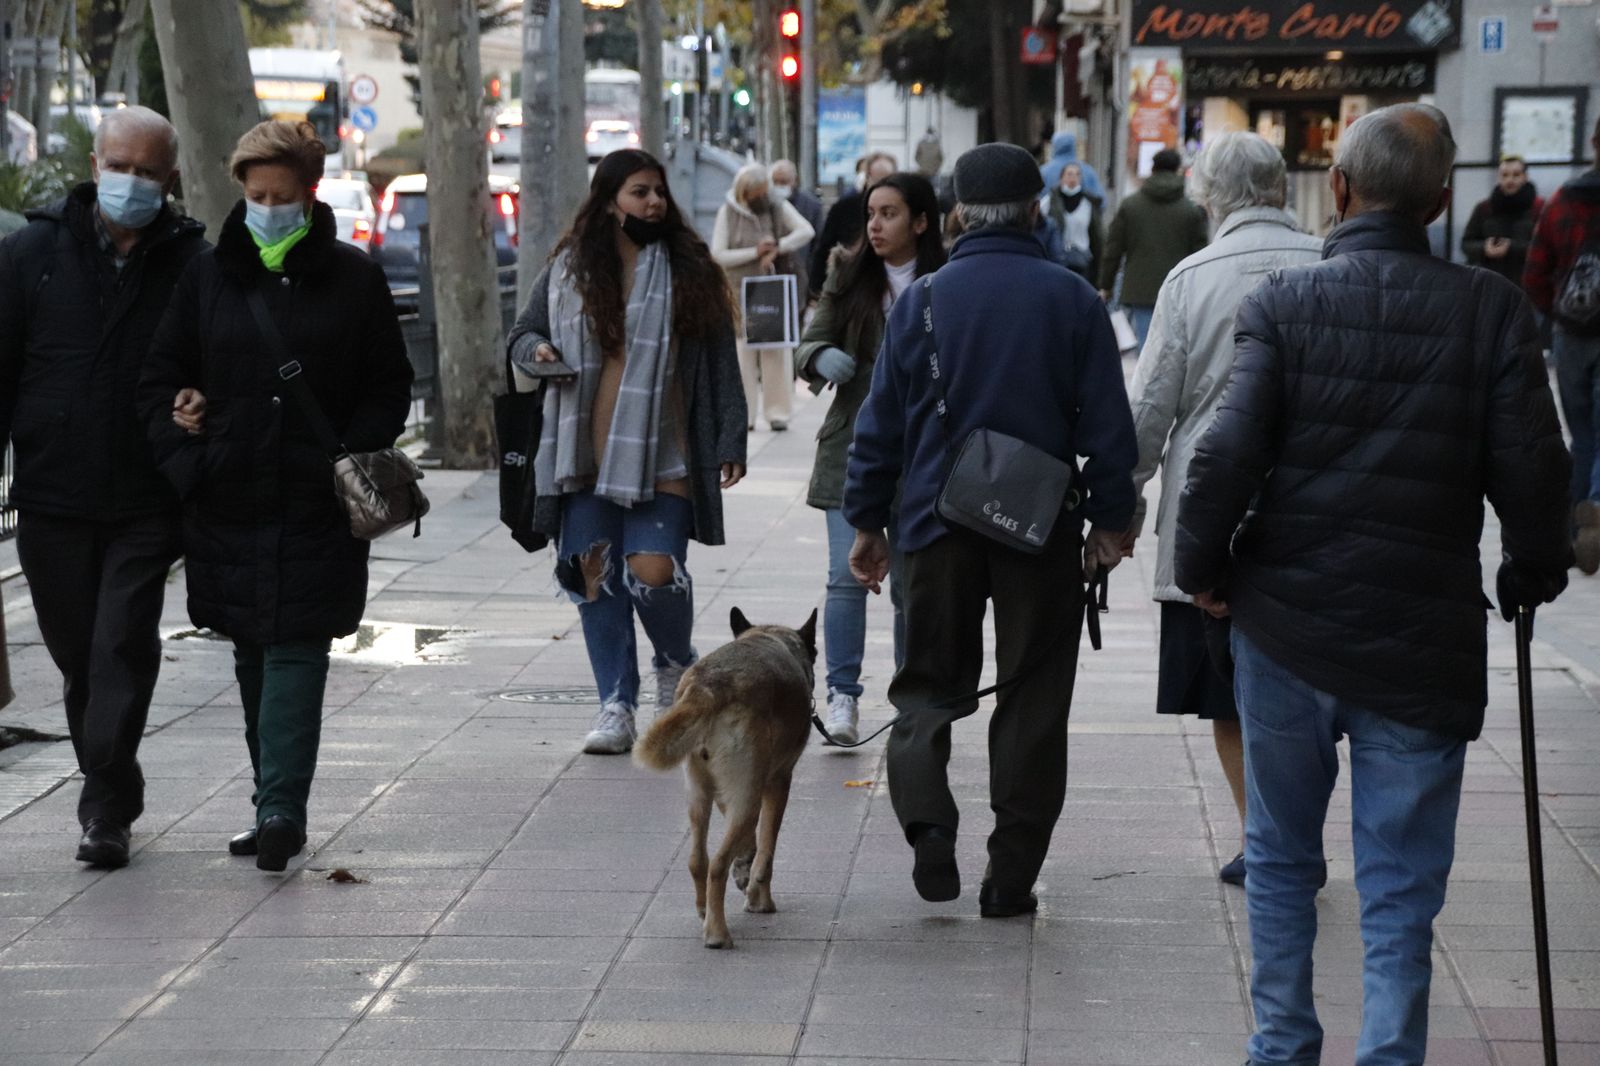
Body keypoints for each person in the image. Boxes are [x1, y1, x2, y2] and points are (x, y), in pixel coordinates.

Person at [1174, 104, 1570, 1066]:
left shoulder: (1283, 301)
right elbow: (1534, 468)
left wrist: (1202, 571)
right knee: (1399, 880)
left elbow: (1225, 454)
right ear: (1441, 201)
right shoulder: (1490, 311)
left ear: (1339, 190)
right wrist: (1532, 568)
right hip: (1422, 632)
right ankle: (1389, 1055)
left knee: (1278, 854)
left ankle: (1282, 1048)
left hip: (1287, 622)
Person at [843, 143, 1137, 916]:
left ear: (958, 215)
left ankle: (930, 829)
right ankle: (1010, 877)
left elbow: (880, 427)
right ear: (1037, 209)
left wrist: (867, 520)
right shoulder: (1072, 299)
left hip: (931, 525)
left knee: (926, 690)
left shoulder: (924, 301)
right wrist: (1111, 521)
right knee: (1035, 697)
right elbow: (1110, 428)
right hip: (1039, 529)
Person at [139, 120, 413, 872]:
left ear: (309, 194)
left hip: (314, 501)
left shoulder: (353, 278)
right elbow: (162, 375)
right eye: (255, 195)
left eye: (280, 196)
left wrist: (345, 454)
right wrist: (186, 434)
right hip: (226, 496)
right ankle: (271, 801)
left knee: (296, 647)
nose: (266, 207)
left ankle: (282, 809)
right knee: (252, 652)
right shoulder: (206, 275)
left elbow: (390, 385)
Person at [0, 106, 207, 869]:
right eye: (118, 166)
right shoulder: (31, 255)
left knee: (121, 643)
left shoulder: (193, 265)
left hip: (147, 496)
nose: (130, 182)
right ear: (94, 165)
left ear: (170, 180)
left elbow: (214, 362)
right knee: (78, 657)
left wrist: (201, 403)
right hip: (53, 494)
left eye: (146, 171)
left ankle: (106, 812)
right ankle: (113, 780)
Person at [1125, 132, 1321, 887]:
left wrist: (1124, 496)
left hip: (1216, 512)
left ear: (1210, 198)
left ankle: (1264, 838)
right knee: (1306, 685)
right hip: (1315, 507)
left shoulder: (1190, 278)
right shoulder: (1331, 265)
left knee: (1226, 694)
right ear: (1282, 188)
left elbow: (1153, 404)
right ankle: (1294, 833)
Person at [507, 149, 747, 756]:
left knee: (652, 569)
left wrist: (728, 438)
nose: (654, 203)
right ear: (610, 199)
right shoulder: (568, 267)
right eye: (641, 192)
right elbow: (523, 332)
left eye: (659, 192)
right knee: (592, 580)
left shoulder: (688, 268)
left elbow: (720, 360)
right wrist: (535, 351)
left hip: (664, 452)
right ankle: (616, 703)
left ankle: (675, 663)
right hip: (581, 454)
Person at [796, 173, 945, 745]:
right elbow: (810, 341)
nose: (875, 226)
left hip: (926, 455)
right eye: (871, 214)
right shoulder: (849, 272)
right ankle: (842, 697)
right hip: (852, 449)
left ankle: (912, 699)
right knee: (844, 576)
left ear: (921, 221)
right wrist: (822, 354)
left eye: (888, 214)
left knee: (912, 583)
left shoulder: (944, 279)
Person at [1525, 117, 1600, 575]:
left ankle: (1578, 529)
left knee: (1583, 435)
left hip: (1572, 334)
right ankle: (1595, 502)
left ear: (1593, 143)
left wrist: (1558, 316)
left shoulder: (1561, 201)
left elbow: (1534, 274)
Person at [711, 162, 815, 432]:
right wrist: (754, 252)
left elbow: (806, 230)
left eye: (762, 192)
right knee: (743, 352)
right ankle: (744, 414)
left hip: (770, 288)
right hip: (738, 291)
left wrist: (779, 247)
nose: (760, 197)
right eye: (755, 193)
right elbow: (718, 254)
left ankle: (777, 412)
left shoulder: (776, 205)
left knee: (775, 349)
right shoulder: (727, 212)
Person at [1098, 148, 1209, 351]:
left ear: (1152, 169)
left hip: (1140, 288)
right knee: (1174, 349)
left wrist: (1106, 285)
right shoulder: (1191, 211)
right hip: (1180, 289)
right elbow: (1201, 254)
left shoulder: (1130, 206)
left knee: (1146, 346)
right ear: (1178, 171)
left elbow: (1113, 249)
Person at [809, 151, 897, 298]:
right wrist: (816, 291)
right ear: (868, 178)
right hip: (850, 287)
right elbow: (824, 248)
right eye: (879, 181)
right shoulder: (844, 208)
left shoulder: (902, 208)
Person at [1462, 155, 1543, 287]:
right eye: (1504, 175)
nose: (1510, 180)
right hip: (1489, 284)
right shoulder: (1484, 208)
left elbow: (1545, 249)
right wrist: (1484, 248)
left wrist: (1512, 248)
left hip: (1528, 285)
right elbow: (1466, 243)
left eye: (1516, 175)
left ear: (1525, 177)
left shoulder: (1539, 208)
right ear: (1499, 177)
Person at [768, 159, 823, 298]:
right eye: (776, 181)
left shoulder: (812, 205)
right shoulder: (767, 204)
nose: (779, 186)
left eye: (784, 181)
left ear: (795, 180)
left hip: (802, 272)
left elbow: (818, 244)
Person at [1045, 161, 1104, 282]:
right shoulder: (1049, 202)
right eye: (1069, 174)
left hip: (1081, 261)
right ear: (1061, 178)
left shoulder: (1088, 204)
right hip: (1056, 261)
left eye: (1077, 175)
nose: (1073, 178)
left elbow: (1098, 236)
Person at [1039, 129, 1105, 202]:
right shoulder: (1088, 171)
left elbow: (1036, 200)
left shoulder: (1043, 172)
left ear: (1054, 146)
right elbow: (1101, 201)